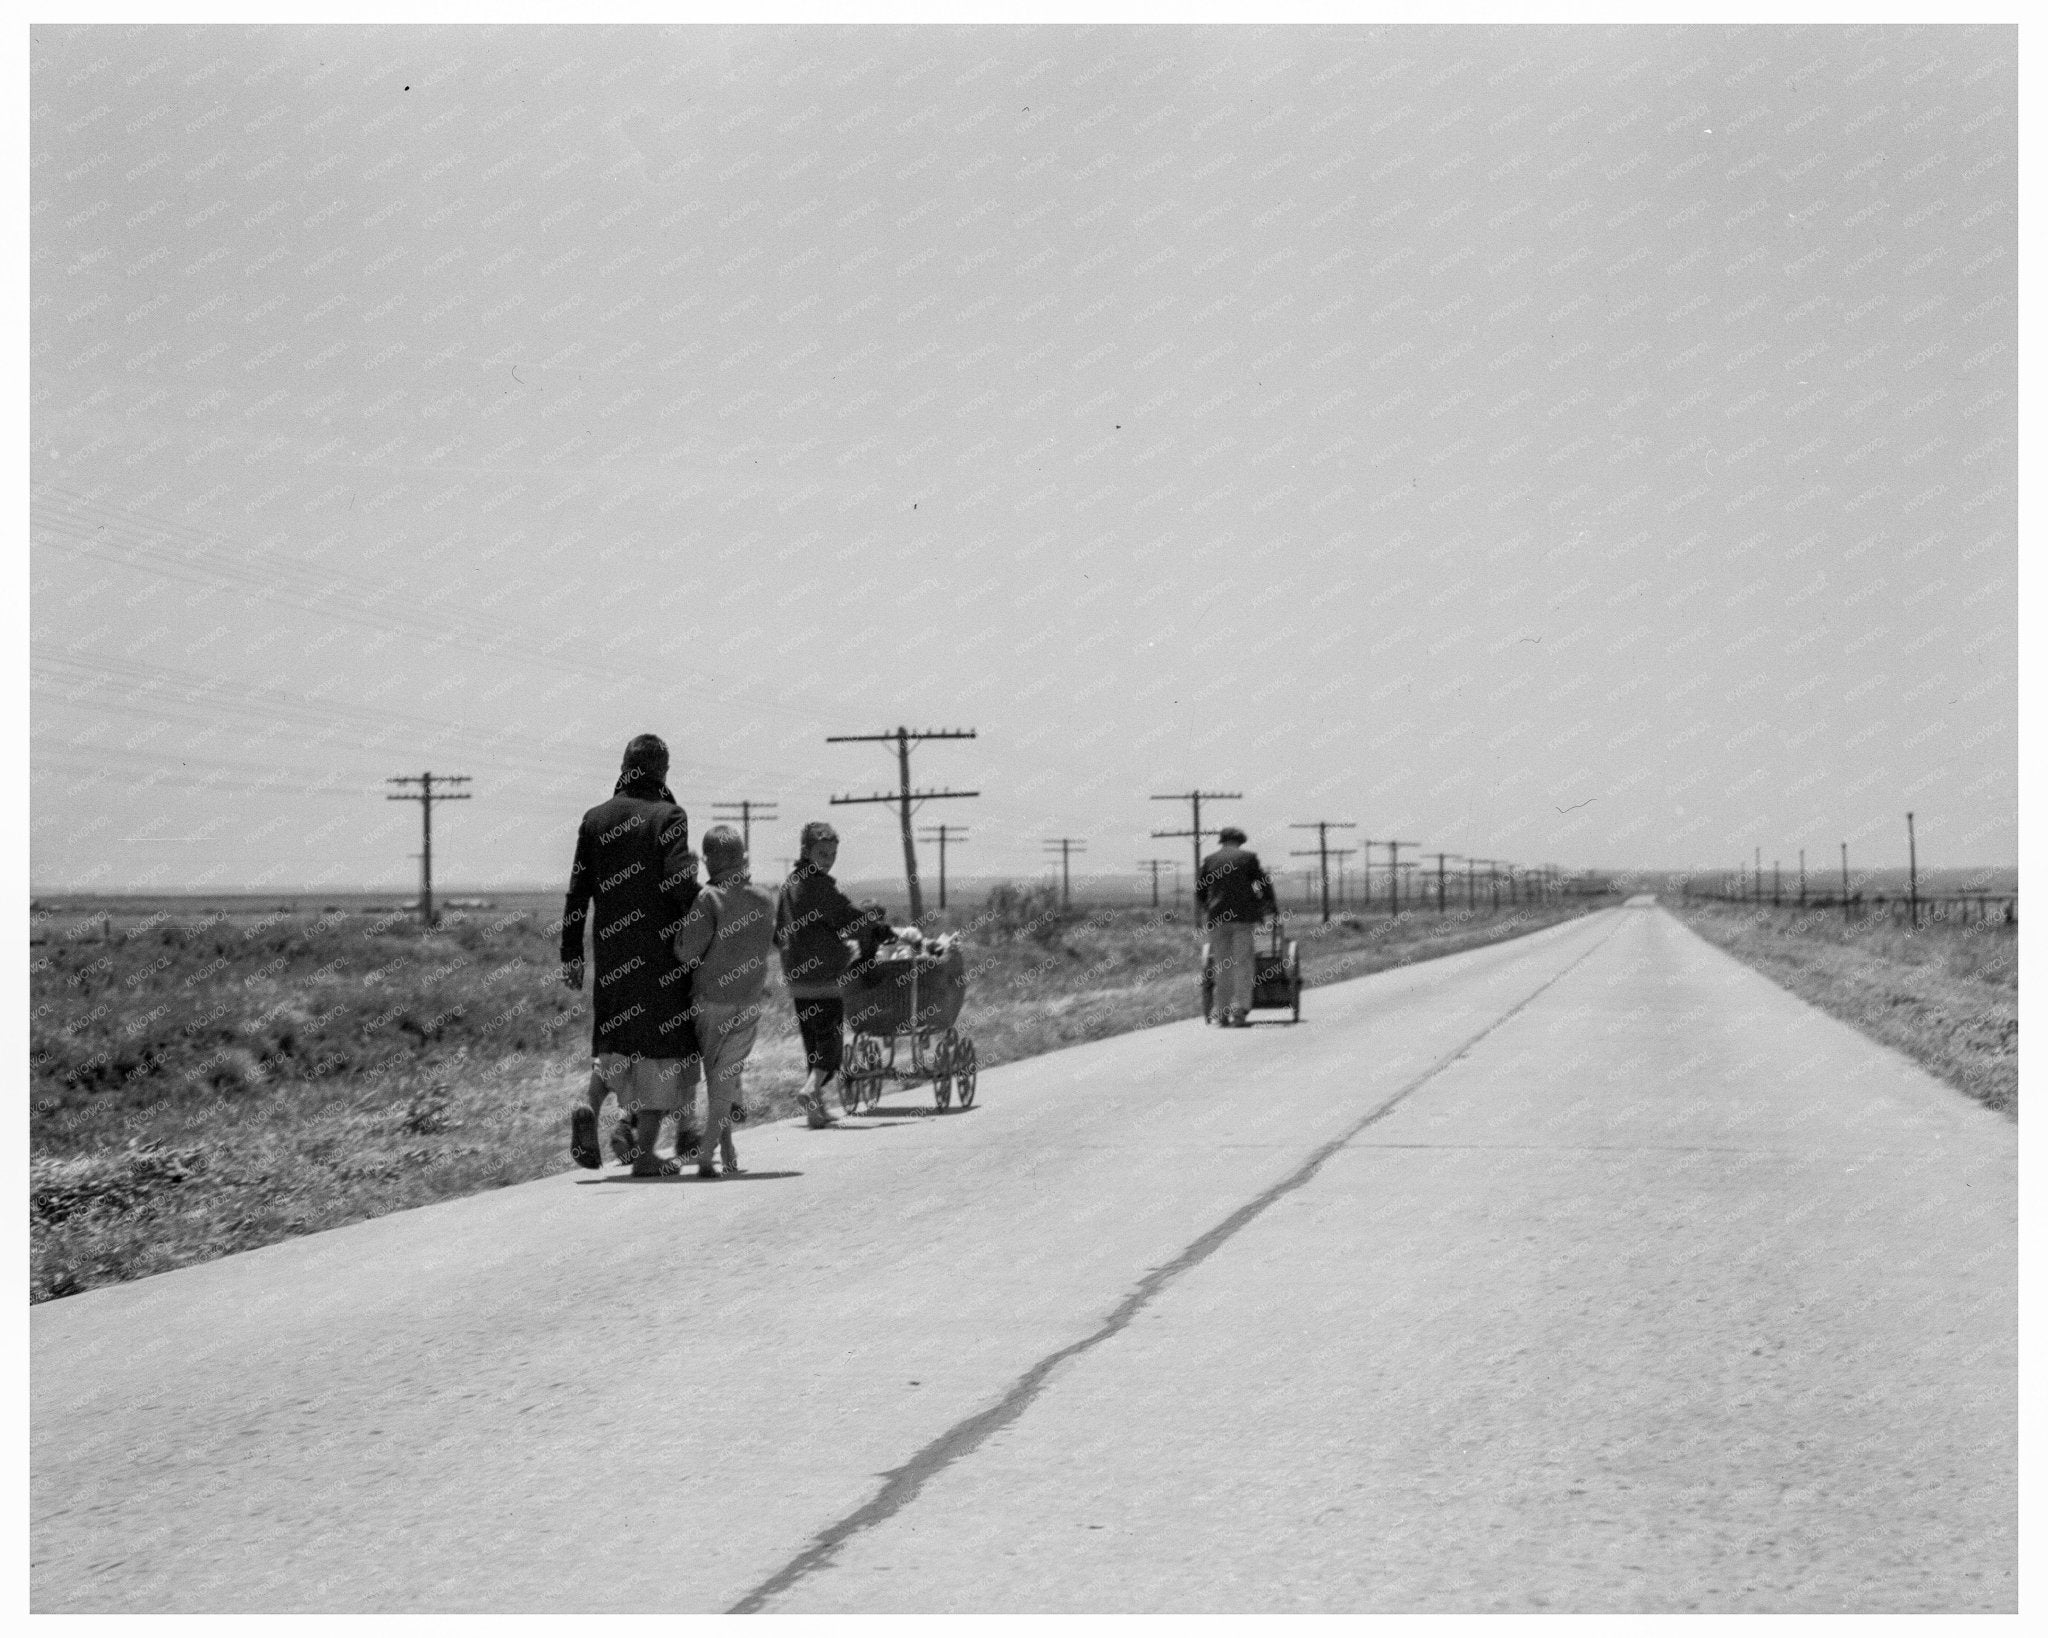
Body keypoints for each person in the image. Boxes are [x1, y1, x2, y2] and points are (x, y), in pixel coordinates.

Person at [561, 733, 703, 1177]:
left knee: (615, 1043)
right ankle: (643, 1156)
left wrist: (571, 954)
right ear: (663, 771)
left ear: (623, 764)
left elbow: (577, 892)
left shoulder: (595, 819)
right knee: (661, 1051)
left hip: (612, 954)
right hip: (661, 957)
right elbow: (680, 883)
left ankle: (587, 1105)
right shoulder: (668, 816)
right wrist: (705, 912)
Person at [671, 825, 777, 1178]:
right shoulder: (765, 899)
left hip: (710, 1002)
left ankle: (707, 1151)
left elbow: (687, 953)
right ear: (743, 856)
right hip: (748, 1001)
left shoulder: (708, 899)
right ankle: (726, 1147)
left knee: (717, 1076)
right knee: (727, 1076)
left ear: (709, 860)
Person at [774, 821, 869, 1128]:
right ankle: (810, 1089)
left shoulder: (789, 885)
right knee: (830, 1046)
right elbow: (846, 916)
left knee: (813, 1044)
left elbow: (778, 932)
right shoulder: (819, 886)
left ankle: (816, 1109)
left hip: (797, 978)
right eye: (822, 853)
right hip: (824, 976)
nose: (828, 859)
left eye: (832, 853)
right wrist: (874, 923)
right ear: (806, 851)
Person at [1196, 825, 1277, 1028]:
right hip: (1242, 919)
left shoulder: (1210, 860)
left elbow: (1200, 891)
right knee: (1242, 964)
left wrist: (1209, 907)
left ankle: (1221, 1012)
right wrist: (1269, 905)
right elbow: (1264, 884)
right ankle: (1239, 1010)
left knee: (1222, 966)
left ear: (1221, 841)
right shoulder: (1248, 858)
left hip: (1217, 920)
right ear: (1240, 841)